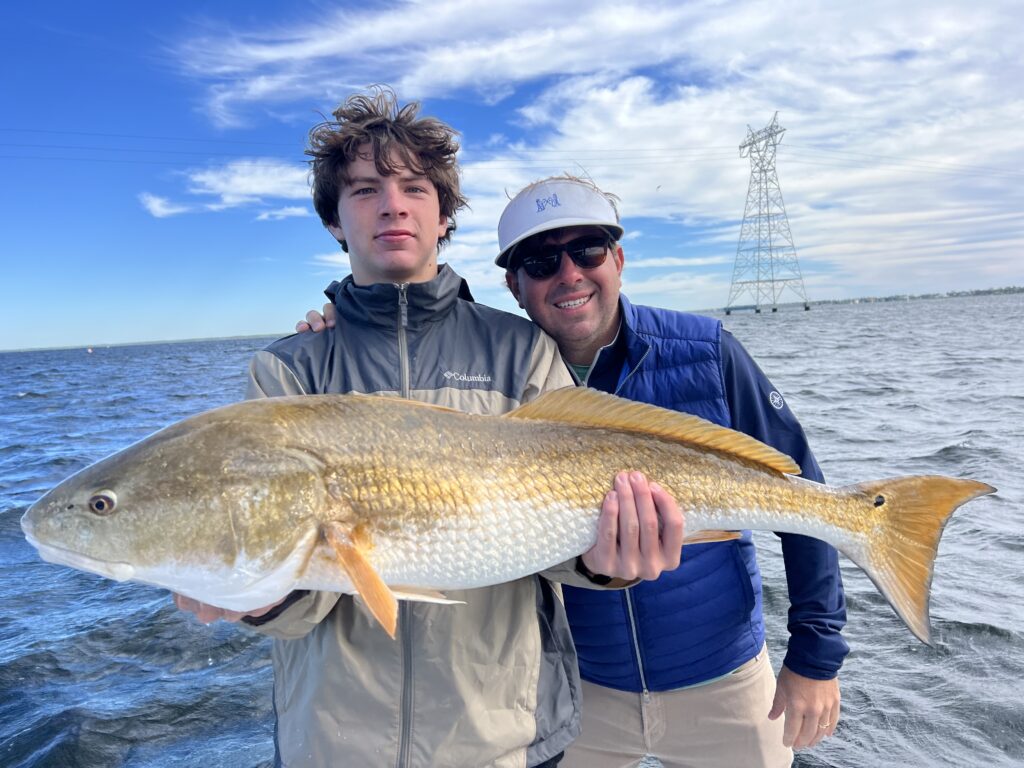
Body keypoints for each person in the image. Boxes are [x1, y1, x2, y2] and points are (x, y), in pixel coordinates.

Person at [176, 93, 685, 768]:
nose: (392, 205)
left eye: (415, 188)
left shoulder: (522, 352)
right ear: (334, 219)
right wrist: (252, 595)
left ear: (444, 216)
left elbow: (554, 548)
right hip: (333, 745)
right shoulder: (285, 371)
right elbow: (301, 605)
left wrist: (608, 562)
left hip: (505, 739)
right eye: (364, 190)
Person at [302, 175, 848, 767]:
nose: (569, 274)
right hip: (579, 694)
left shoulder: (708, 350)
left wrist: (815, 657)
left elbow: (804, 500)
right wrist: (346, 331)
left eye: (587, 249)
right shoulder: (500, 374)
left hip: (724, 677)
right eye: (540, 261)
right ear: (513, 285)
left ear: (618, 257)